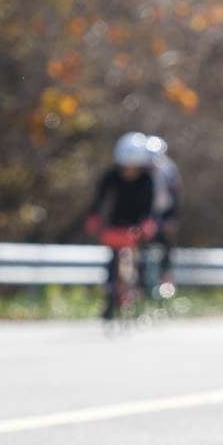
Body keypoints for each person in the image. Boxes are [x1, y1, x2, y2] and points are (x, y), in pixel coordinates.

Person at [88, 132, 160, 319]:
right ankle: (110, 298)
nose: (129, 171)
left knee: (140, 256)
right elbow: (100, 198)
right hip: (117, 221)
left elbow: (150, 205)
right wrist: (95, 216)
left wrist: (148, 222)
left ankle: (140, 289)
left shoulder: (146, 179)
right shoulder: (112, 176)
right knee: (112, 260)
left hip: (137, 223)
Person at [146, 135, 183, 290]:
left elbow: (175, 194)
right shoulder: (139, 168)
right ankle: (141, 283)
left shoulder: (169, 169)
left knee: (165, 245)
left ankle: (165, 280)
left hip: (163, 212)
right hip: (145, 213)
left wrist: (171, 218)